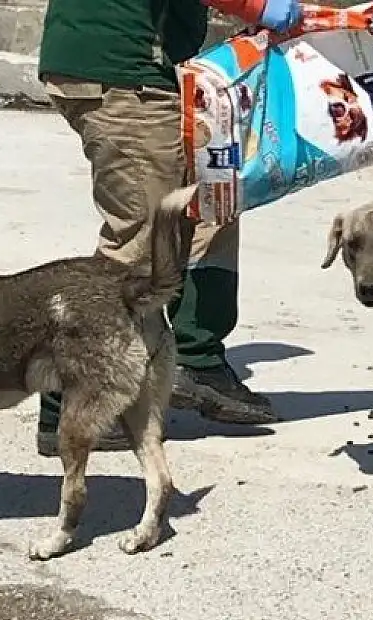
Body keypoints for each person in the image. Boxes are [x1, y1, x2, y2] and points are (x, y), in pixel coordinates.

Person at [34, 0, 302, 456]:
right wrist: (262, 7)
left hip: (139, 71)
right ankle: (70, 396)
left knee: (209, 202)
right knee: (139, 236)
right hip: (124, 73)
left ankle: (197, 358)